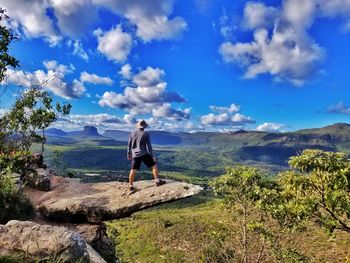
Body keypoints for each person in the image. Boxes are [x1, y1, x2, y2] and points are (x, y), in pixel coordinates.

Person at [127, 120, 166, 192]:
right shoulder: (145, 134)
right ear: (144, 127)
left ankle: (131, 186)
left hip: (135, 154)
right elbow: (149, 146)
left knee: (133, 169)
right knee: (154, 165)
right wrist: (152, 156)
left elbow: (129, 145)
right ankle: (157, 181)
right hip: (144, 153)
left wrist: (128, 154)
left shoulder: (132, 133)